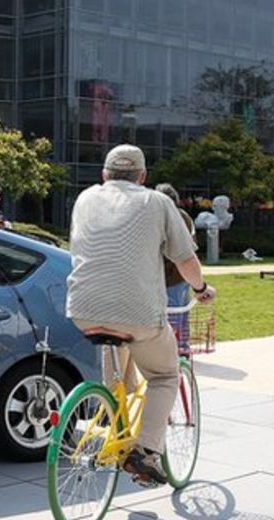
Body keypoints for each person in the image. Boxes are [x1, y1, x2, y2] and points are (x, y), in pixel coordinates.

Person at [66, 144, 216, 487]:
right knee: (165, 374)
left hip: (83, 310)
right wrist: (200, 289)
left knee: (117, 366)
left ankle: (113, 412)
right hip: (138, 314)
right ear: (143, 176)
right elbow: (185, 260)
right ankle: (145, 451)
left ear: (104, 175)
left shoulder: (85, 198)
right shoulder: (158, 202)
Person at [157, 183, 196, 356]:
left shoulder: (163, 218)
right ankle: (182, 347)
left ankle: (175, 349)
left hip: (169, 275)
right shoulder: (184, 217)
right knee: (181, 312)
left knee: (171, 314)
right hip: (183, 275)